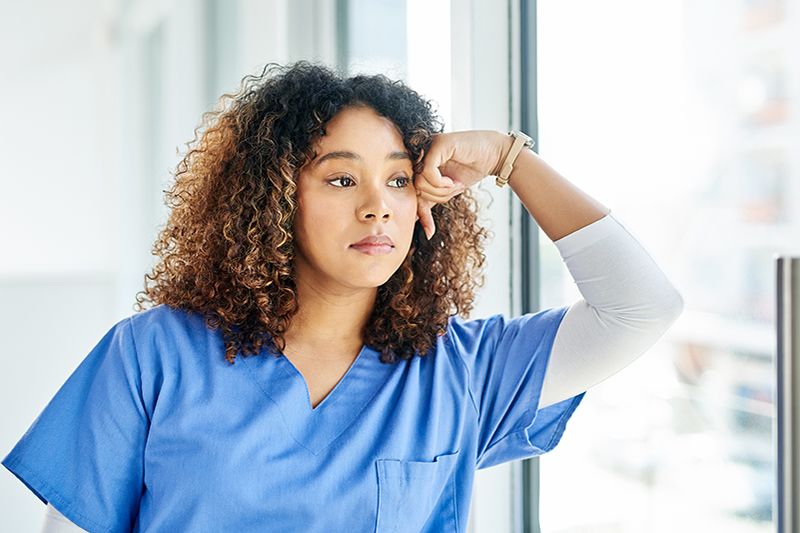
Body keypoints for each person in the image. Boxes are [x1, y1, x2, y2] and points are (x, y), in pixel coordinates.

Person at [3, 61, 683, 532]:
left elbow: (641, 307)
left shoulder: (463, 372)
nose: (376, 209)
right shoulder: (153, 355)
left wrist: (509, 157)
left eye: (397, 181)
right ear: (273, 198)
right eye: (339, 180)